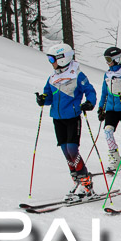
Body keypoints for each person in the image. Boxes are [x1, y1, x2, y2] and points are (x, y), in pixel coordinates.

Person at [35, 43, 97, 199]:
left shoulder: (77, 75)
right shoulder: (52, 78)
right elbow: (48, 96)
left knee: (72, 149)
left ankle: (87, 184)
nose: (51, 62)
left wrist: (90, 102)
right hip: (58, 119)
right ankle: (77, 180)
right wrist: (42, 99)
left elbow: (89, 90)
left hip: (72, 117)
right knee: (65, 151)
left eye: (52, 59)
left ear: (63, 59)